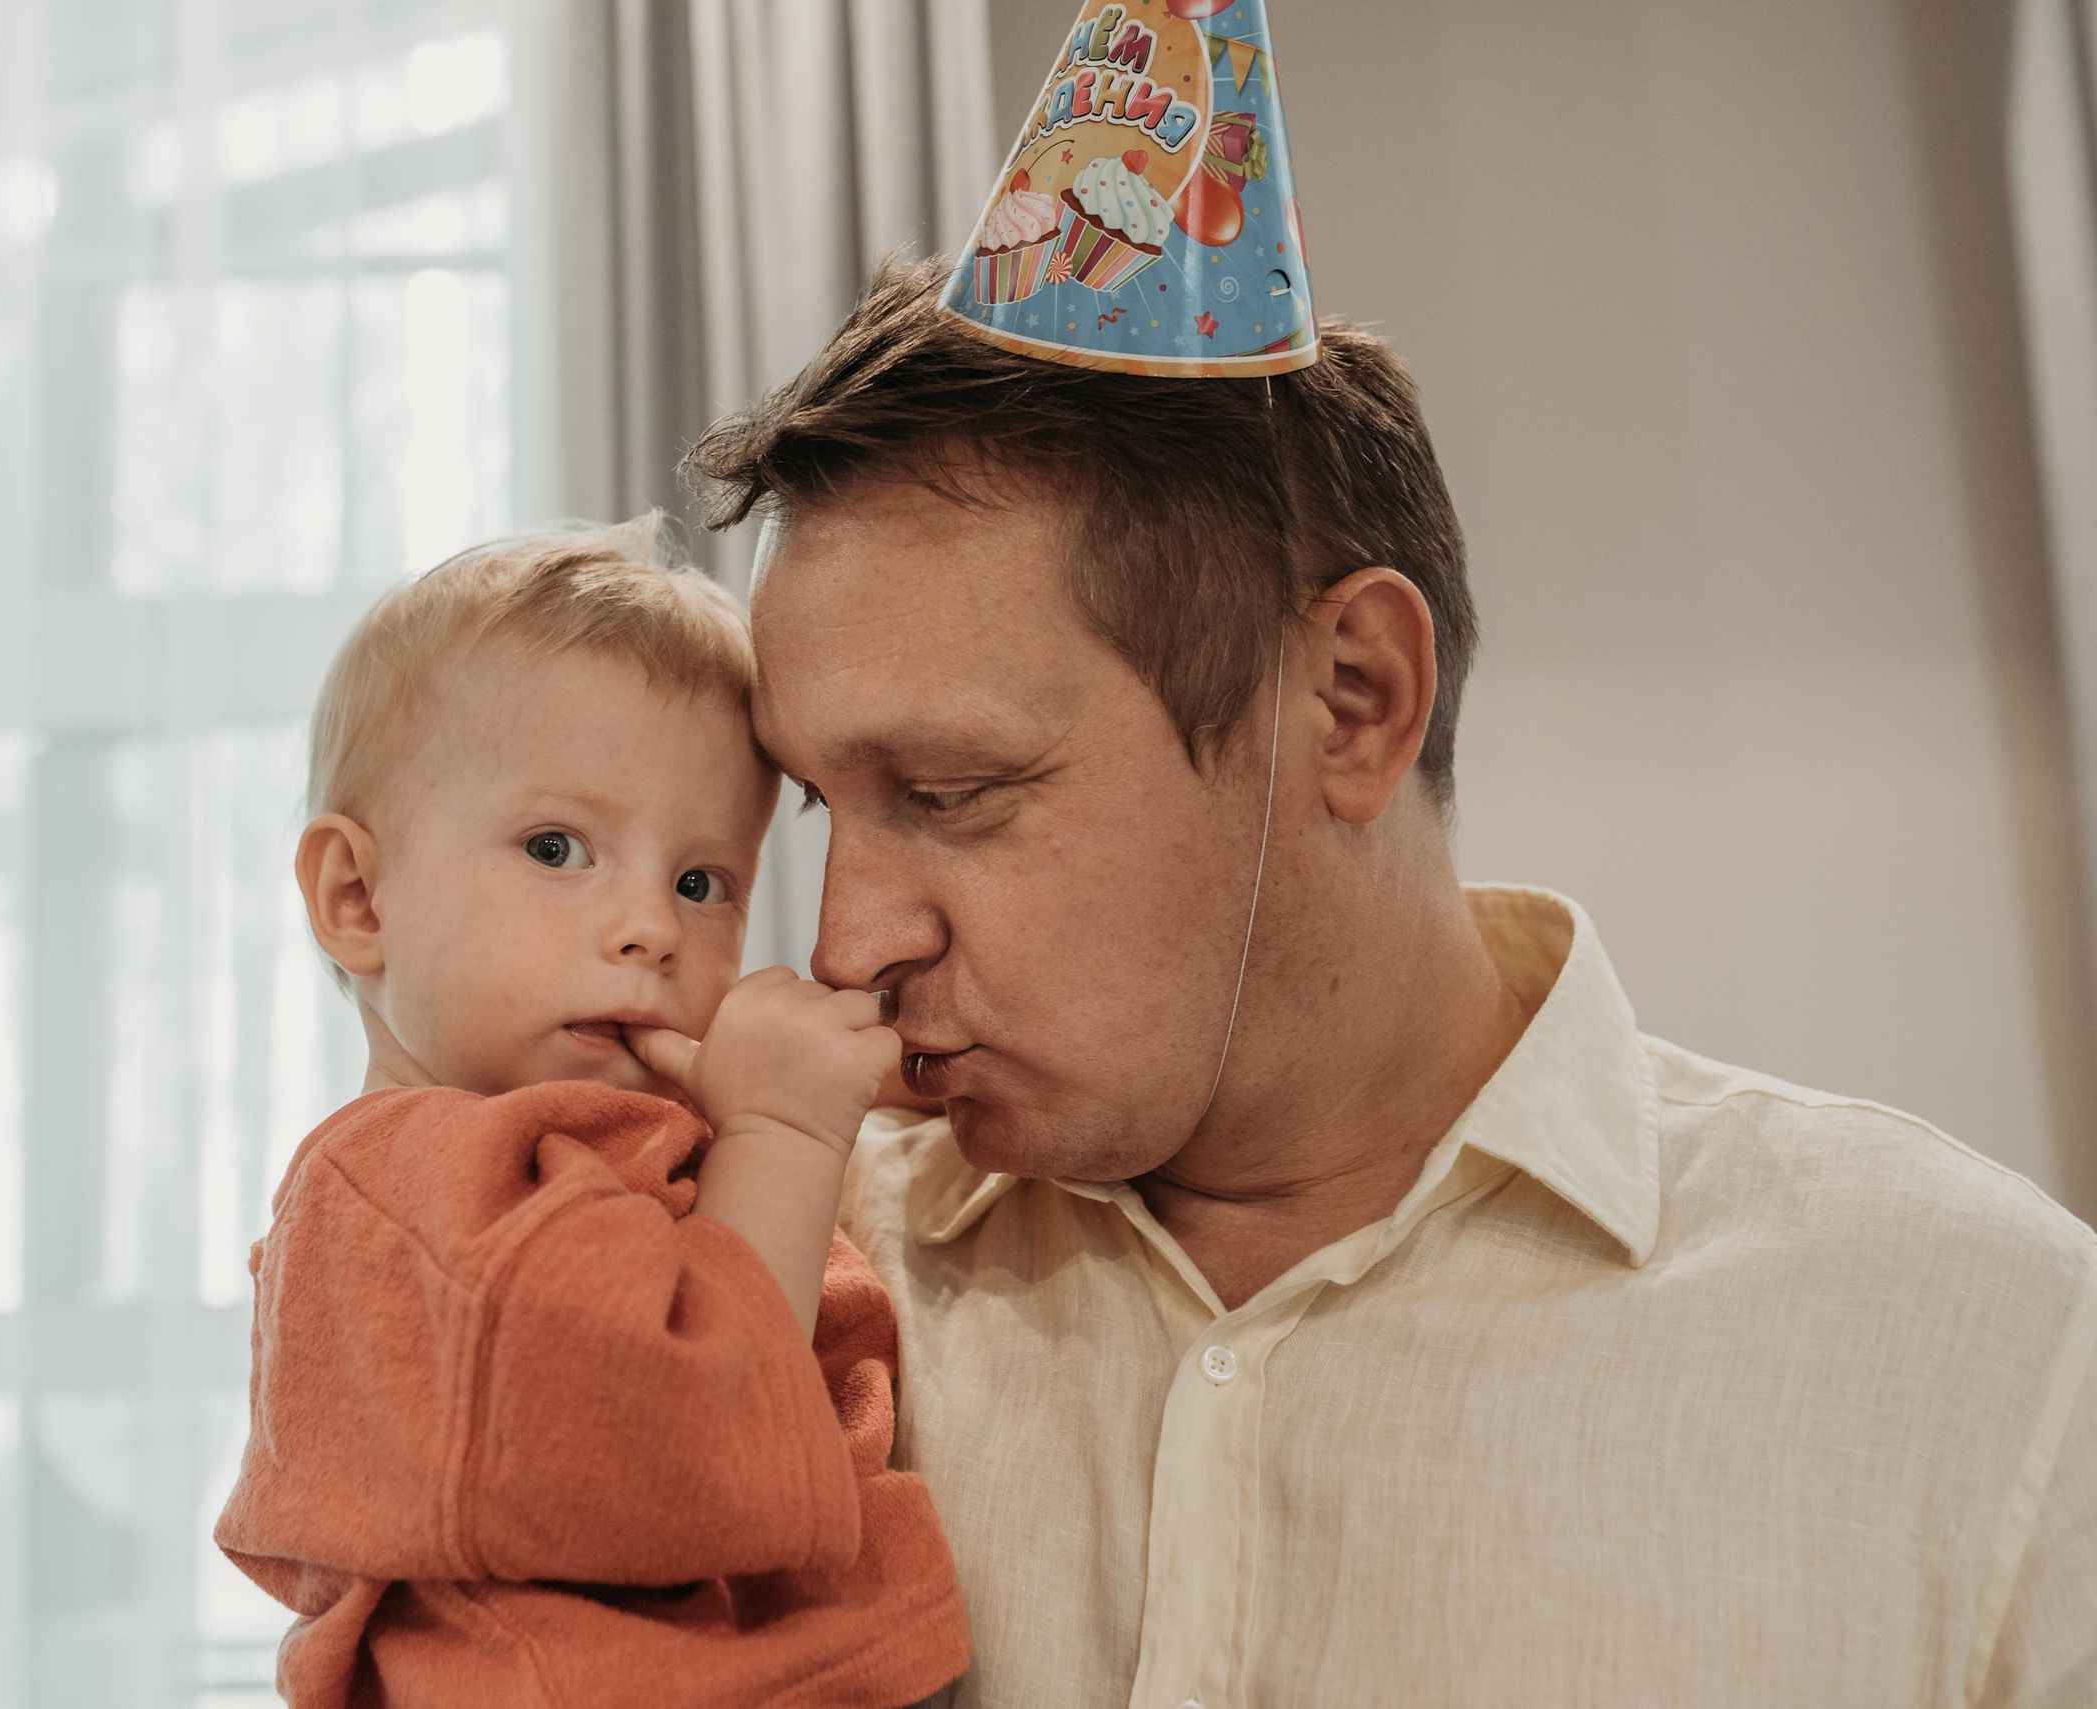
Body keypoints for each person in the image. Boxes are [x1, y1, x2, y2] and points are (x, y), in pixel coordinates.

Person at [683, 258, 2097, 1708]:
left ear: (1353, 699)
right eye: (818, 805)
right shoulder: (742, 1283)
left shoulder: (1991, 1359)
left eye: (951, 788)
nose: (846, 942)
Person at [212, 518, 971, 1709]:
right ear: (358, 896)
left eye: (699, 880)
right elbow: (683, 1437)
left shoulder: (595, 1135)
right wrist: (782, 1136)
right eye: (557, 846)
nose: (649, 926)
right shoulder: (407, 1190)